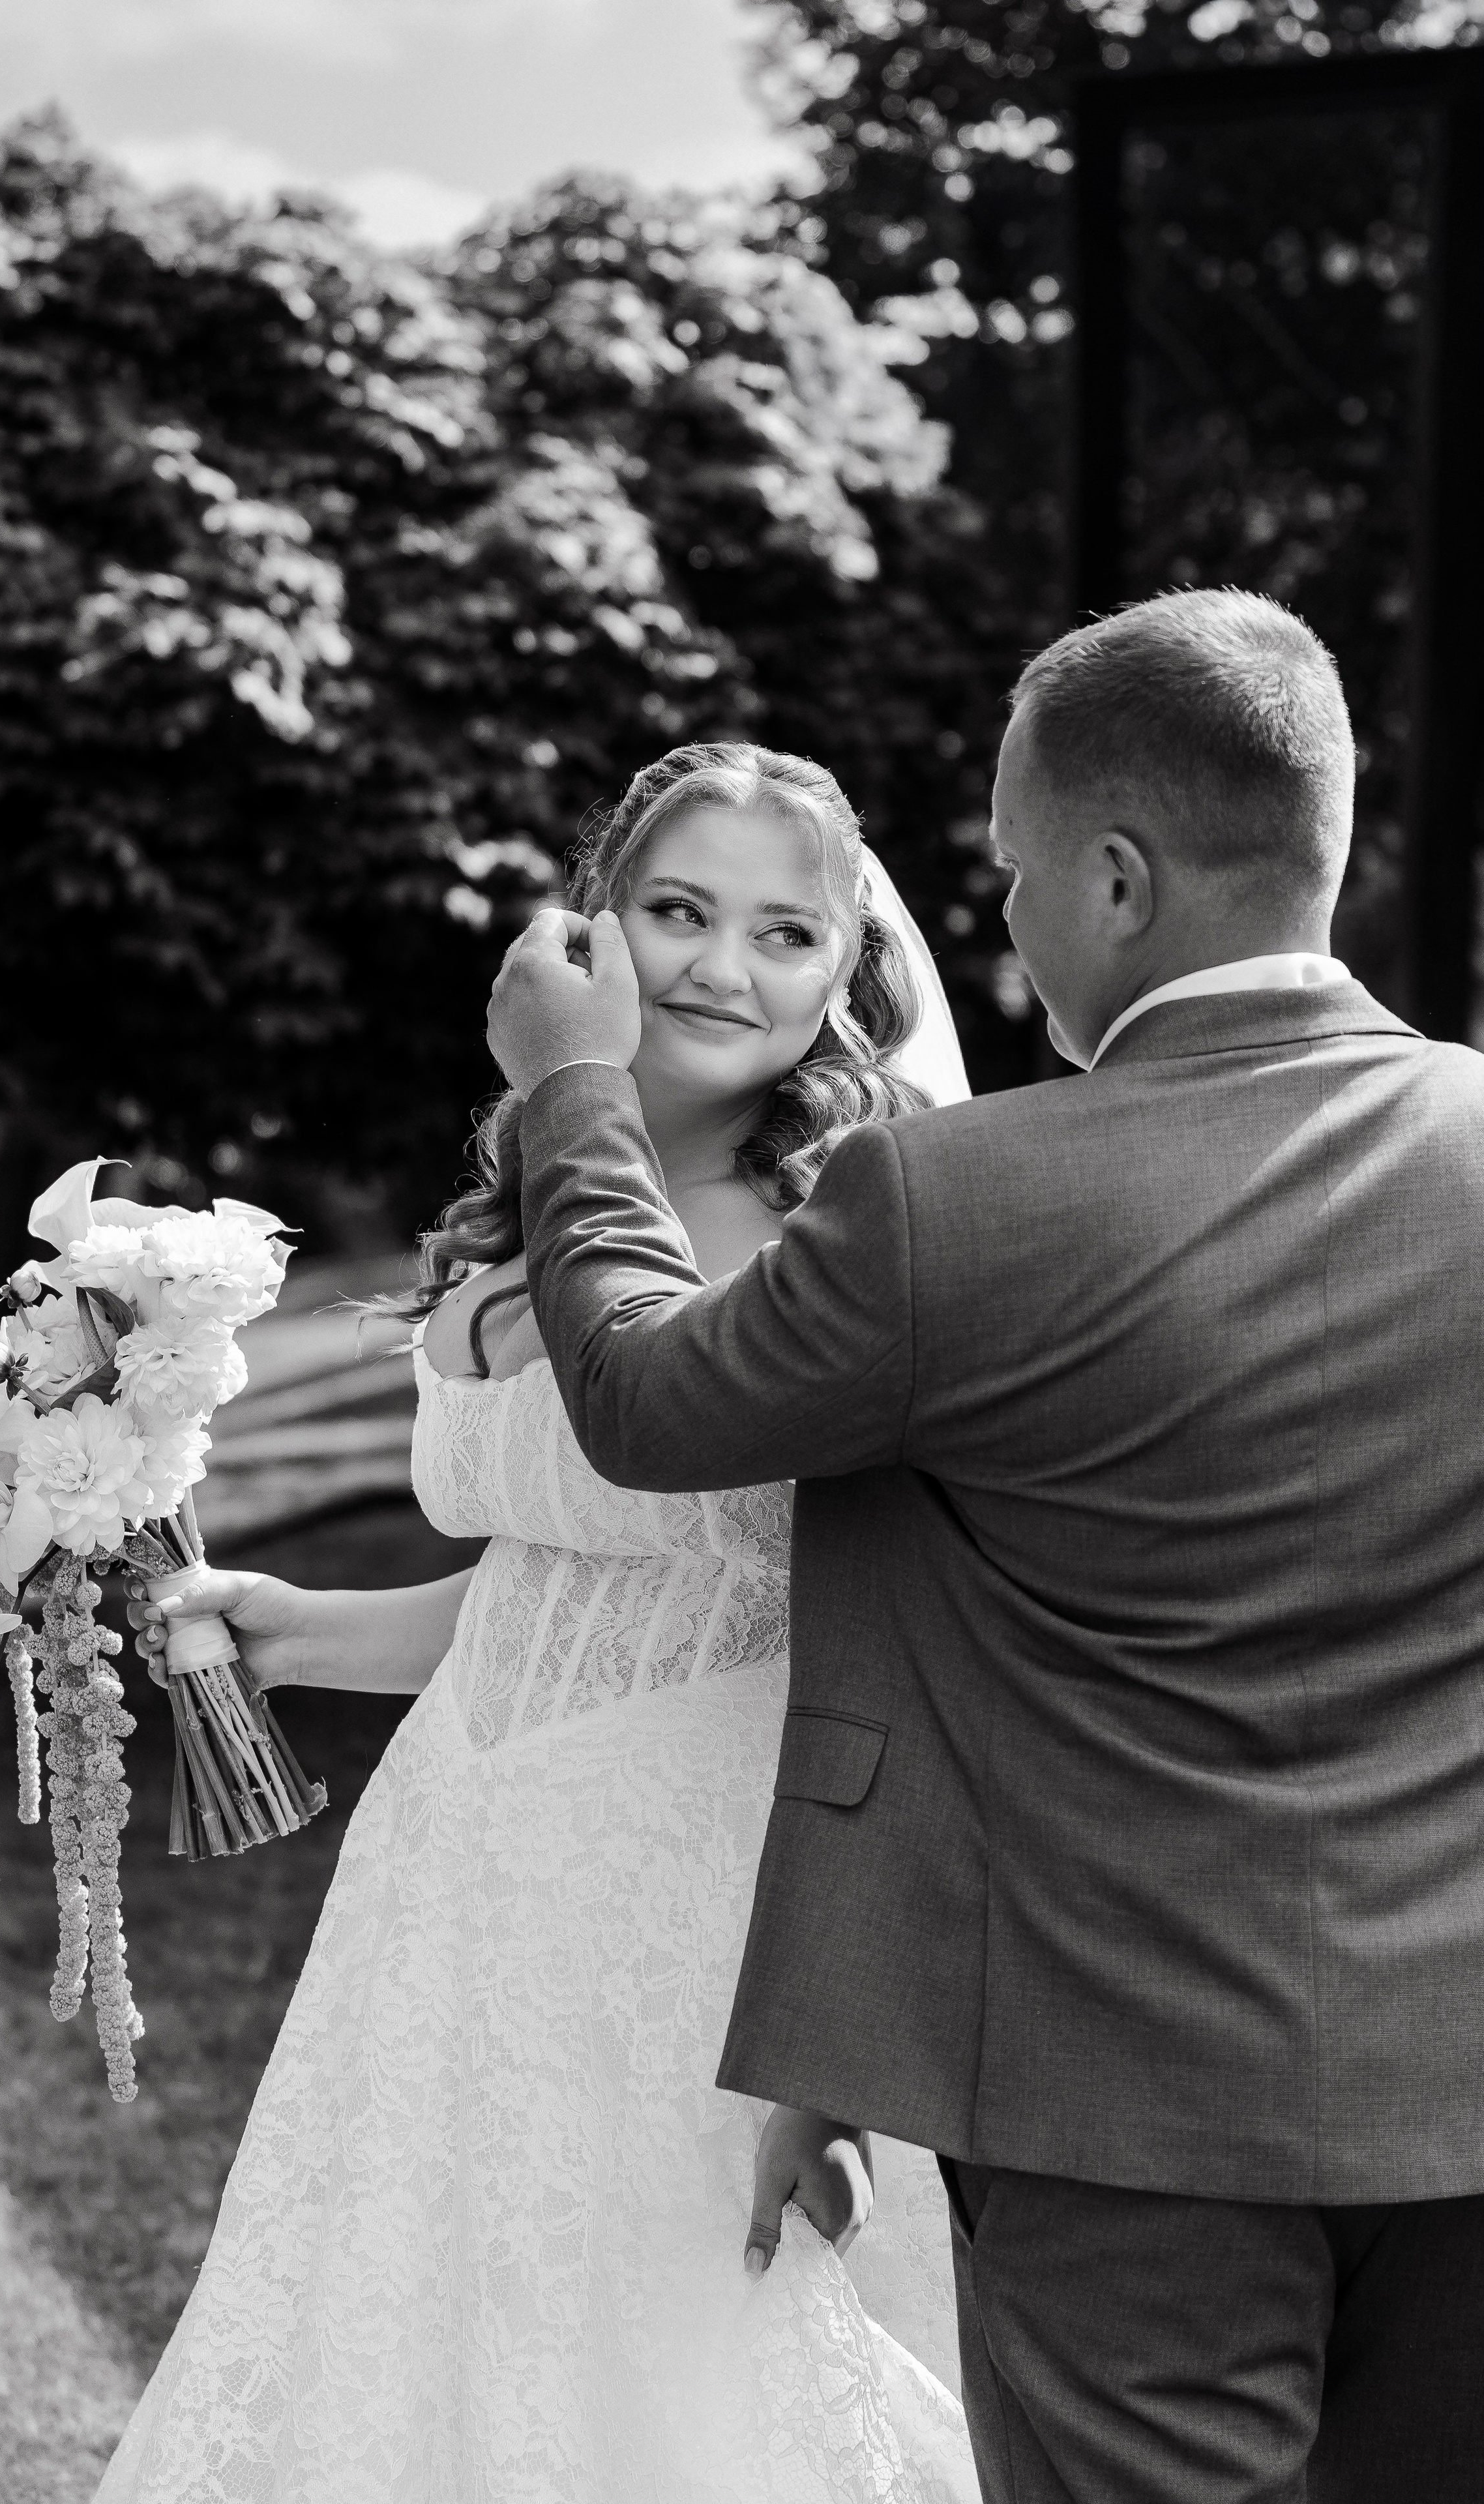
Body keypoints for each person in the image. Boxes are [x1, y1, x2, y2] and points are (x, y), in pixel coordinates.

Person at [490, 589, 1484, 2504]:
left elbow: (644, 1404)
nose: (1003, 930)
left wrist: (576, 1095)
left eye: (1018, 877)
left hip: (1118, 2118)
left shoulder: (953, 1200)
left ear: (1114, 880)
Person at [93, 744, 979, 2504]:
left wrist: (850, 2055)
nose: (730, 968)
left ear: (845, 974)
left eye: (787, 933)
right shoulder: (521, 1229)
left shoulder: (843, 1240)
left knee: (676, 2362)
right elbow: (558, 1600)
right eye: (679, 912)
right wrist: (281, 1622)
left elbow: (876, 1636)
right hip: (462, 1870)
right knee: (414, 2331)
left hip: (701, 1906)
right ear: (593, 931)